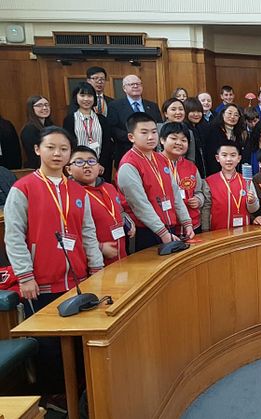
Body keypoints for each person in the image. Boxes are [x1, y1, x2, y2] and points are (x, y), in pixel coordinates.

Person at [4, 127, 104, 398]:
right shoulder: (22, 188)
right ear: (37, 150)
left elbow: (88, 233)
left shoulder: (77, 190)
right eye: (51, 147)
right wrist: (25, 275)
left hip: (78, 279)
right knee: (49, 347)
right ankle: (56, 398)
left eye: (64, 148)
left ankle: (81, 395)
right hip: (40, 281)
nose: (58, 153)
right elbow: (13, 236)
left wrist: (96, 269)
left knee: (77, 343)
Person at [117, 112, 194, 251]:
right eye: (144, 132)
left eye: (154, 131)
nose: (151, 137)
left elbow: (174, 193)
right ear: (131, 137)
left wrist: (187, 222)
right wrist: (162, 232)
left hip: (168, 226)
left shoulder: (161, 159)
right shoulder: (129, 164)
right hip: (145, 230)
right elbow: (139, 204)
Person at [68, 145, 132, 265]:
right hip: (93, 262)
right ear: (69, 170)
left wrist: (127, 220)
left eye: (91, 161)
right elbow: (69, 234)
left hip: (121, 255)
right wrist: (100, 247)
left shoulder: (109, 187)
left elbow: (119, 211)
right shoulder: (69, 195)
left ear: (99, 166)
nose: (87, 165)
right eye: (79, 162)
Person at [63, 82, 114, 182]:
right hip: (78, 166)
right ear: (76, 97)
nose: (86, 99)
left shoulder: (102, 119)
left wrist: (100, 164)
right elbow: (68, 144)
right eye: (82, 95)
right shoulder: (69, 119)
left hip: (100, 166)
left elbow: (107, 143)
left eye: (89, 95)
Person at [107, 75, 162, 167]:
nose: (135, 86)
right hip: (125, 151)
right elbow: (113, 129)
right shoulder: (115, 106)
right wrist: (136, 139)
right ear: (124, 88)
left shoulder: (152, 106)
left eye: (138, 84)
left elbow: (159, 126)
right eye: (132, 84)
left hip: (151, 152)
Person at [202, 141, 259, 230]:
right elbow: (206, 209)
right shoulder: (209, 181)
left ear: (239, 158)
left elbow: (253, 209)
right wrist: (205, 230)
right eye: (224, 155)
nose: (229, 159)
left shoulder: (246, 180)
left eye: (233, 155)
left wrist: (252, 201)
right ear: (217, 158)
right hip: (217, 231)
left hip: (243, 230)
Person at [160, 122, 206, 233]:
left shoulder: (191, 166)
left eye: (184, 140)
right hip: (165, 227)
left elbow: (199, 191)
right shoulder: (154, 164)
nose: (179, 143)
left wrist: (199, 200)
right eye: (174, 138)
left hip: (192, 225)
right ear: (162, 140)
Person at [205, 103, 247, 175]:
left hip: (234, 172)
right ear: (223, 114)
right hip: (214, 171)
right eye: (229, 113)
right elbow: (209, 154)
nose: (232, 116)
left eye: (236, 115)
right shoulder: (212, 130)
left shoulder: (240, 133)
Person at [20, 95, 54, 169]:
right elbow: (34, 155)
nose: (44, 108)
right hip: (38, 168)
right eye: (39, 105)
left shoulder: (51, 126)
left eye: (46, 105)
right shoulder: (29, 129)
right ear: (31, 109)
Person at [183, 97, 209, 178]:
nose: (196, 114)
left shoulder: (201, 128)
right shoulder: (184, 129)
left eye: (199, 111)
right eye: (193, 111)